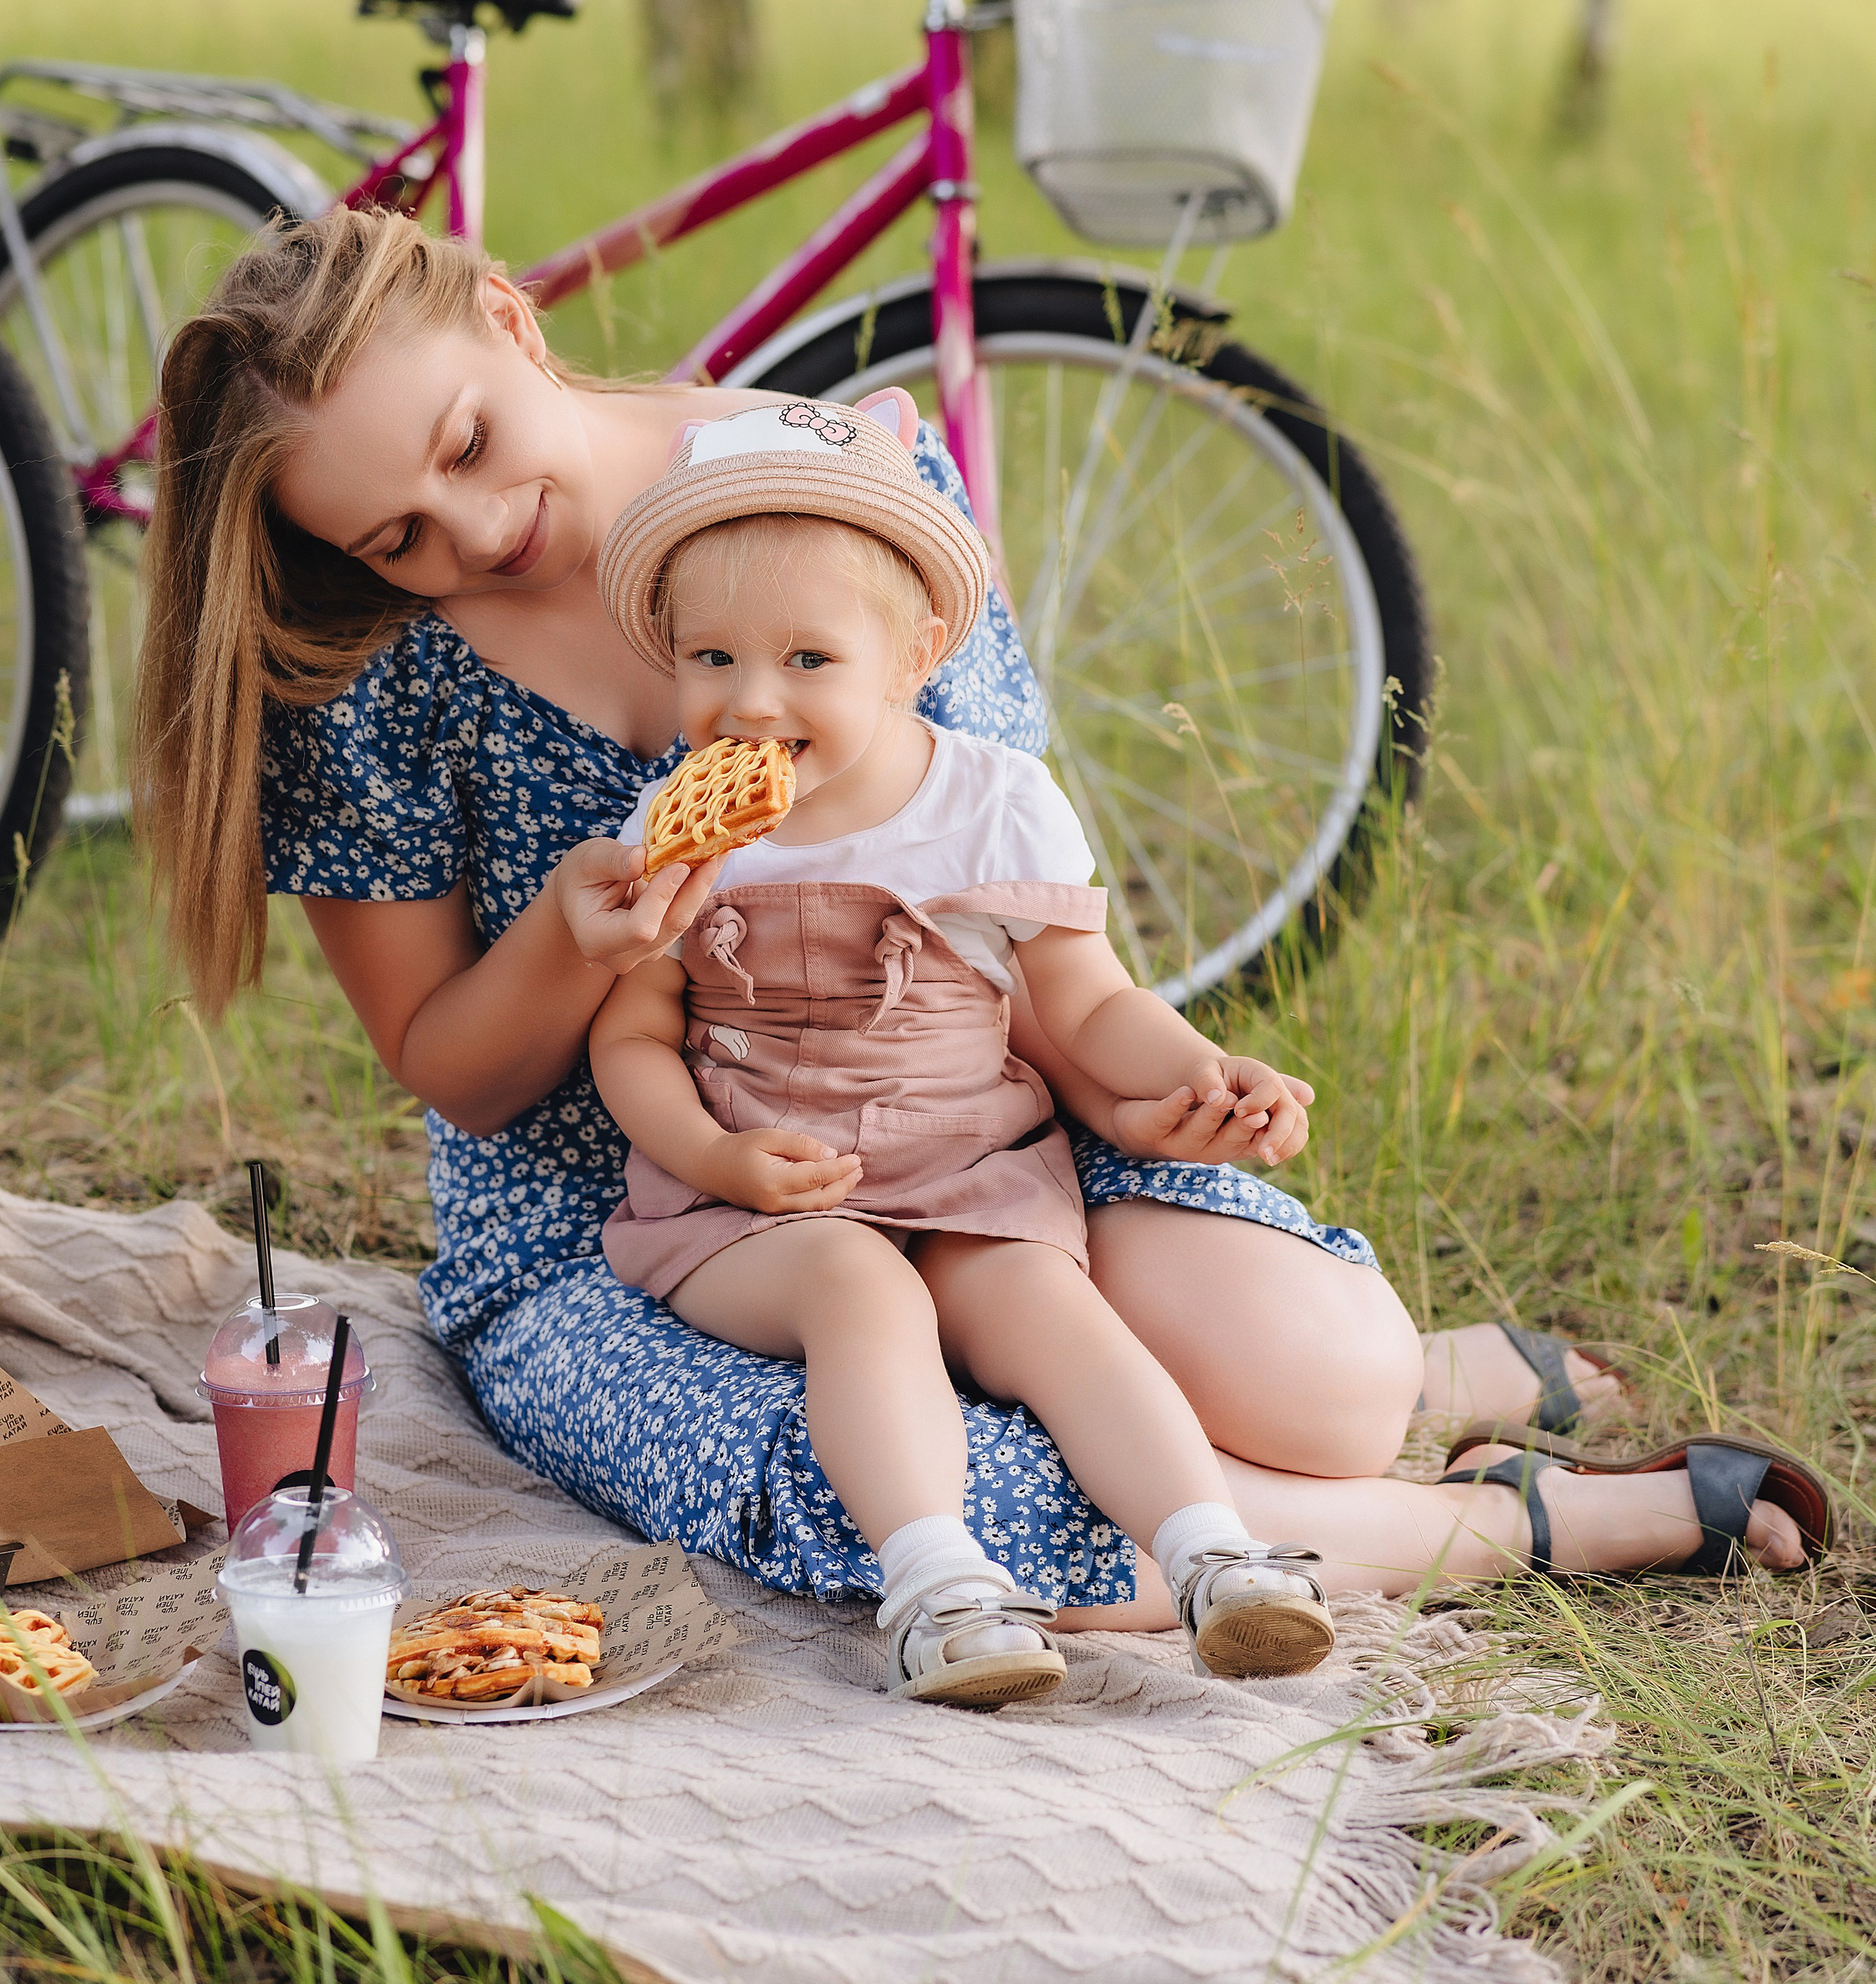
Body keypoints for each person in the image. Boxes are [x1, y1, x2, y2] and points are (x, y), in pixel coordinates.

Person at [135, 207, 1827, 1629]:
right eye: (400, 534)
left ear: (510, 318)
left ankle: (1424, 1377)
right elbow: (458, 1072)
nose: (479, 529)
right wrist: (575, 938)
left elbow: (1008, 905)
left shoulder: (853, 485)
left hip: (968, 1117)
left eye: (471, 447)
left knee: (1325, 1377)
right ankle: (1527, 1527)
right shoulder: (367, 675)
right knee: (962, 1501)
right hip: (639, 1223)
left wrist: (1138, 1084)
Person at [578, 389, 1337, 1705]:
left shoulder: (993, 802)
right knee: (865, 1295)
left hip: (970, 1174)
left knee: (1050, 1310)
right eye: (712, 660)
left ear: (915, 650)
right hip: (754, 1205)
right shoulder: (680, 825)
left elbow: (1091, 1002)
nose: (752, 700)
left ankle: (1217, 1555)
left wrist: (1198, 1066)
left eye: (808, 661)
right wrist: (718, 1151)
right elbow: (633, 1035)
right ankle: (939, 1589)